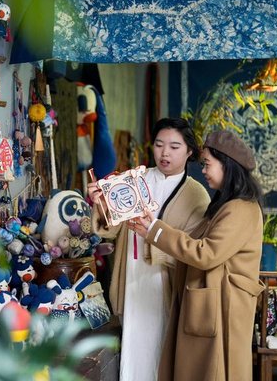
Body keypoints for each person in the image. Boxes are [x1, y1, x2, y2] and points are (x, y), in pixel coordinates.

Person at [128, 130, 264, 381]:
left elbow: (206, 253)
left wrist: (155, 230)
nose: (203, 170)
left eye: (207, 164)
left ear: (227, 165)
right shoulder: (227, 206)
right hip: (210, 304)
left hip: (221, 309)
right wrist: (152, 228)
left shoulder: (241, 209)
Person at [88, 118, 210, 381]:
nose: (165, 153)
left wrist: (155, 240)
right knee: (132, 346)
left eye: (175, 146)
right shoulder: (135, 179)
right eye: (159, 144)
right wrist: (99, 203)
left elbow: (196, 250)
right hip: (132, 276)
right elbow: (110, 227)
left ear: (190, 151)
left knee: (162, 349)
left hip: (165, 281)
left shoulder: (196, 194)